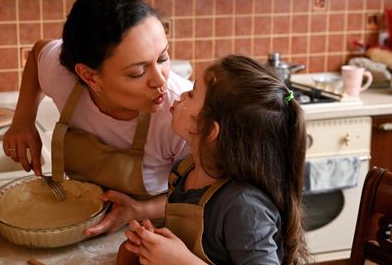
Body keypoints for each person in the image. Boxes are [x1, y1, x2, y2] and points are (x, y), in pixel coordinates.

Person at [2, 0, 192, 235]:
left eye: (162, 58)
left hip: (151, 230)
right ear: (89, 76)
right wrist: (23, 119)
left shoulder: (182, 113)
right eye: (138, 72)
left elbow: (208, 195)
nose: (160, 81)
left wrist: (139, 210)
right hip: (79, 216)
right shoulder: (63, 77)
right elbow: (40, 51)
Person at [115, 55, 310, 264]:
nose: (180, 95)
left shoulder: (245, 207)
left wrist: (180, 261)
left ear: (209, 130)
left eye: (191, 94)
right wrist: (150, 245)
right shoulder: (183, 170)